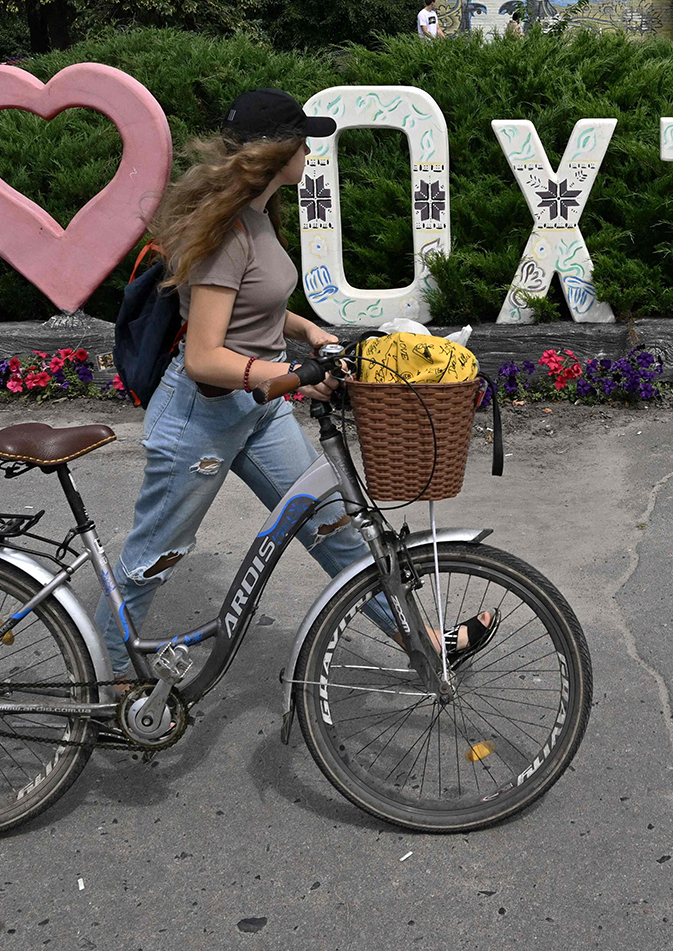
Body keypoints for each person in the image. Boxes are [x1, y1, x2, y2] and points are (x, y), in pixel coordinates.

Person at [94, 87, 488, 683]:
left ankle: (425, 642)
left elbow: (255, 309)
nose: (309, 153)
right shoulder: (226, 234)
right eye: (302, 143)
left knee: (332, 527)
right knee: (154, 557)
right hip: (201, 416)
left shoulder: (259, 215)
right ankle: (107, 680)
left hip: (258, 410)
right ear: (275, 153)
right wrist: (291, 380)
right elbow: (203, 356)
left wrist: (308, 332)